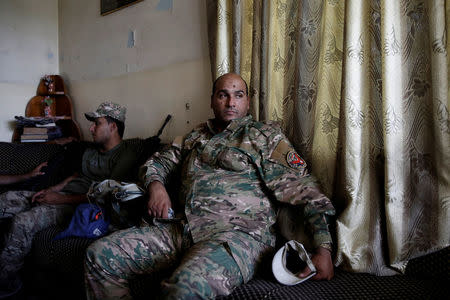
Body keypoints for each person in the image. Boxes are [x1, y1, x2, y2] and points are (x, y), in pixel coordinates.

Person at [85, 73, 336, 299]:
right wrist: (156, 186)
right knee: (99, 256)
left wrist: (323, 248)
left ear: (247, 102)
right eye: (223, 95)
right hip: (180, 229)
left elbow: (304, 189)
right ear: (212, 100)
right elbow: (157, 163)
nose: (230, 103)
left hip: (236, 237)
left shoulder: (264, 136)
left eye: (238, 95)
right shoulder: (194, 136)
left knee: (184, 288)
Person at [0, 101, 145, 298]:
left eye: (97, 123)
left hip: (78, 206)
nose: (91, 128)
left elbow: (106, 195)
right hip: (61, 195)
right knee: (6, 199)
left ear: (113, 126)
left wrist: (58, 199)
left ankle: (7, 285)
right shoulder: (91, 150)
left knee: (23, 222)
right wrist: (51, 189)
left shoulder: (126, 154)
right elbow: (77, 176)